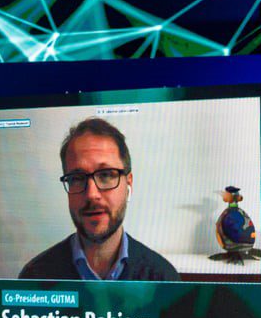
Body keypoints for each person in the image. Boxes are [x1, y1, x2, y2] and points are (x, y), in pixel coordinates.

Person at [18, 117, 179, 282]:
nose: (91, 194)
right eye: (77, 178)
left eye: (106, 175)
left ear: (128, 184)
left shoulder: (164, 279)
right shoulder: (34, 277)